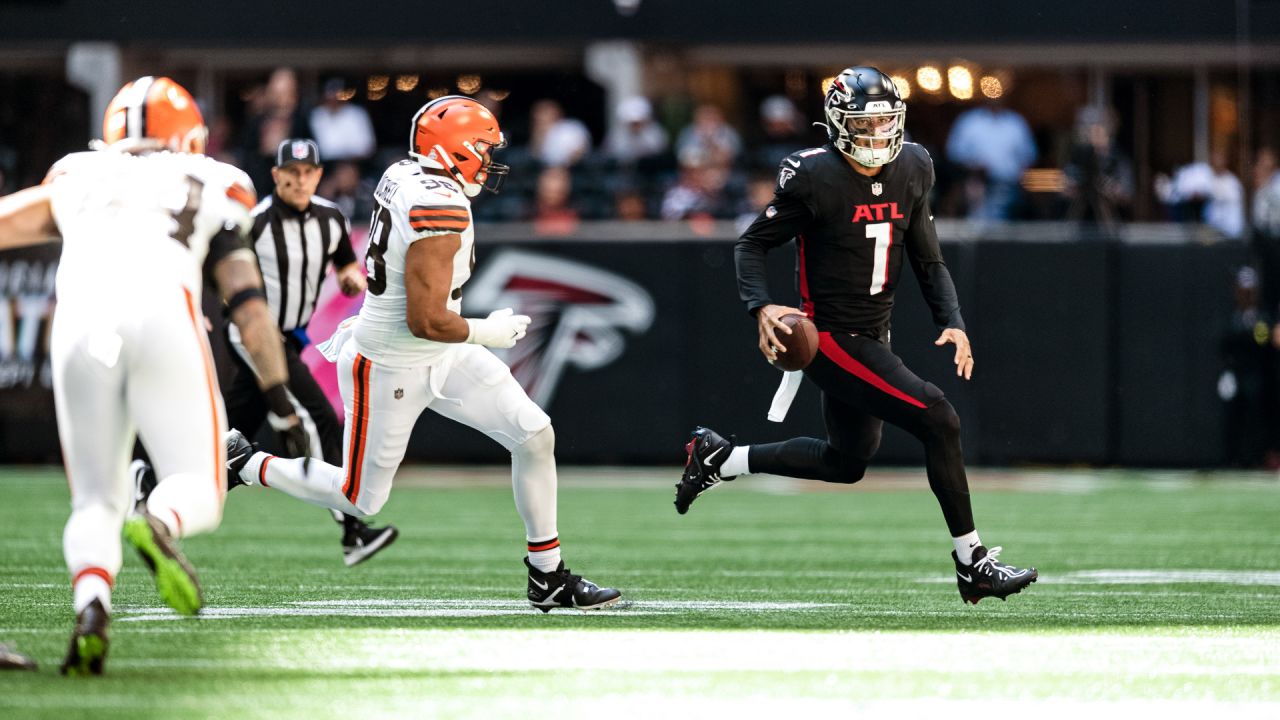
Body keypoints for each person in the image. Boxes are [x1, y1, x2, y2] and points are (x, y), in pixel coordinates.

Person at [224, 96, 621, 612]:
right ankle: (247, 461)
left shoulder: (406, 172)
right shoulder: (440, 204)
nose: (490, 158)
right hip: (390, 360)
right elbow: (425, 319)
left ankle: (547, 576)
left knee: (533, 432)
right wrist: (487, 330)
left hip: (438, 351)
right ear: (452, 149)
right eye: (481, 147)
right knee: (359, 498)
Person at [675, 66, 1038, 605]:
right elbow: (751, 245)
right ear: (838, 124)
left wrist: (952, 321)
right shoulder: (815, 177)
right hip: (829, 337)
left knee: (846, 462)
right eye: (865, 125)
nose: (876, 136)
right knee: (940, 418)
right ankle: (973, 562)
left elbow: (927, 257)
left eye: (885, 123)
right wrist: (761, 307)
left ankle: (719, 458)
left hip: (875, 332)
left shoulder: (912, 165)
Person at [0, 76, 309, 674]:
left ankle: (92, 604)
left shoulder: (78, 174)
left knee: (94, 498)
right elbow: (247, 307)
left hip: (80, 325)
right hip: (164, 315)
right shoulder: (216, 180)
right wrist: (280, 402)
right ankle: (158, 521)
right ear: (189, 136)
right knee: (200, 487)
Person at [132, 138, 399, 567]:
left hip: (290, 336)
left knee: (229, 439)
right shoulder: (253, 221)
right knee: (319, 420)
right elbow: (217, 268)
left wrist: (351, 279)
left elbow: (347, 264)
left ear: (317, 174)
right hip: (255, 335)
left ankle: (153, 493)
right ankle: (353, 531)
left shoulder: (330, 218)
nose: (299, 180)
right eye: (290, 173)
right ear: (276, 175)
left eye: (307, 172)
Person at [945, 97, 1037, 220]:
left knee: (1009, 229)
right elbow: (954, 154)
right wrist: (973, 167)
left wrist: (1021, 182)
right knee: (977, 227)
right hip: (977, 185)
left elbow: (1029, 156)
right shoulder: (969, 121)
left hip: (1010, 188)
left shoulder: (1016, 123)